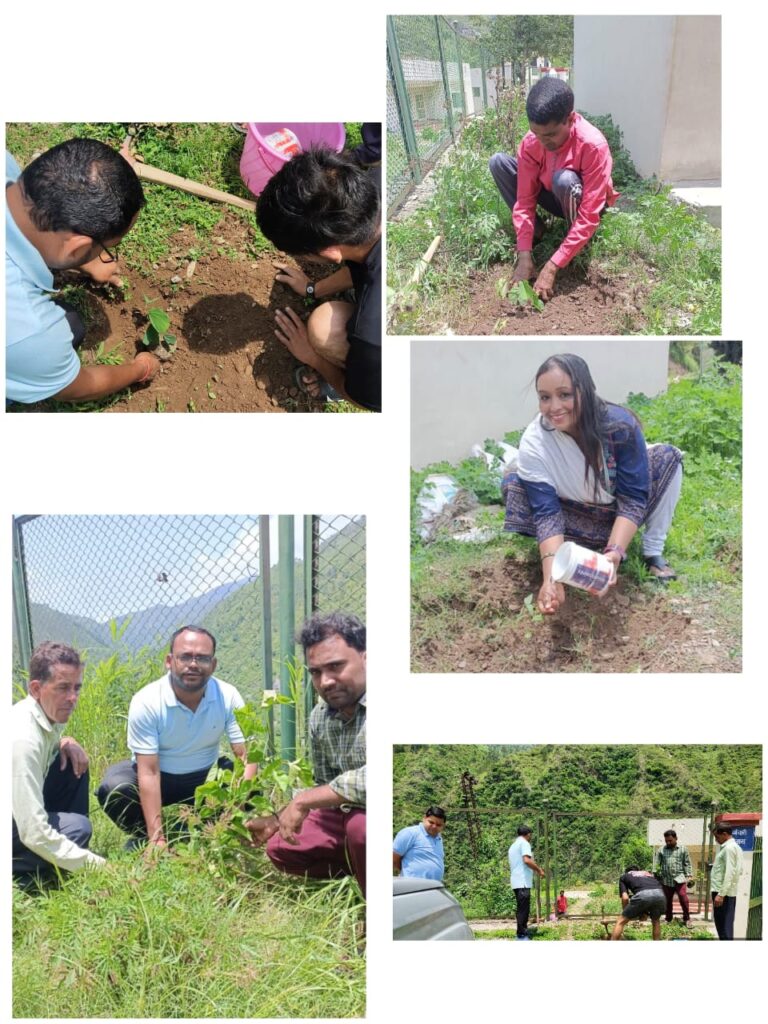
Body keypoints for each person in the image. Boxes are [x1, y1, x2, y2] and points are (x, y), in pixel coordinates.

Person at [501, 353, 684, 615]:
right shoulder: (535, 441)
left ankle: (651, 550)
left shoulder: (620, 426)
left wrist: (615, 552)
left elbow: (633, 498)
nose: (554, 407)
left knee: (669, 458)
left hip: (617, 511)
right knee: (515, 484)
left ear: (584, 391)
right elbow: (547, 514)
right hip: (574, 512)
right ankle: (589, 548)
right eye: (545, 397)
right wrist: (552, 578)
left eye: (564, 394)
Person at [6, 138, 161, 404]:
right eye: (107, 248)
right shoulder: (31, 331)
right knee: (72, 325)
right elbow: (76, 388)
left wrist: (84, 259)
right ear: (76, 248)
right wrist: (141, 368)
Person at [96, 626, 256, 850]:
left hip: (206, 778)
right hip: (161, 776)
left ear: (213, 665)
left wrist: (236, 811)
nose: (193, 664)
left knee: (250, 782)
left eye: (202, 658)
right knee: (115, 789)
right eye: (185, 657)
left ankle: (218, 827)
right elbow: (149, 771)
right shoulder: (147, 701)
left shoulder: (228, 695)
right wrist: (157, 837)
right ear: (169, 661)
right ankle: (146, 835)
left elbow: (245, 757)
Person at [246, 612, 367, 896]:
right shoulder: (320, 717)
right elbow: (322, 783)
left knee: (362, 828)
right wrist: (278, 818)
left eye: (335, 667)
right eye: (315, 672)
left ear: (366, 657)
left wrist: (303, 802)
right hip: (343, 814)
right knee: (281, 846)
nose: (325, 681)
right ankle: (363, 870)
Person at [256, 147, 381, 411]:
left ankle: (355, 379)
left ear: (330, 253)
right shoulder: (375, 182)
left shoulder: (372, 332)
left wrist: (313, 356)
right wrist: (313, 288)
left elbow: (366, 402)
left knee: (323, 329)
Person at [488, 77, 618, 302]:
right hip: (555, 196)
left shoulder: (592, 145)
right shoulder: (532, 142)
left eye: (549, 135)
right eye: (536, 133)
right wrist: (524, 254)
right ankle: (538, 232)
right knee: (499, 162)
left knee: (565, 180)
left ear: (570, 119)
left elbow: (589, 215)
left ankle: (572, 238)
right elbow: (525, 200)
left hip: (582, 202)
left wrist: (552, 266)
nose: (542, 141)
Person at [12, 642, 105, 881]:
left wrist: (64, 742)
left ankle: (65, 855)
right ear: (35, 688)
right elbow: (33, 833)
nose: (72, 697)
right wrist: (101, 867)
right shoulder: (23, 741)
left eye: (77, 687)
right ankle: (27, 872)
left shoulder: (42, 714)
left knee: (75, 765)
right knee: (78, 829)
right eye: (63, 688)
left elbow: (48, 742)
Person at [508, 824, 545, 939]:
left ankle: (521, 931)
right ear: (528, 834)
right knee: (524, 909)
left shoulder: (513, 846)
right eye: (530, 834)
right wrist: (539, 870)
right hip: (522, 881)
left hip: (516, 881)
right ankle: (522, 934)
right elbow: (526, 860)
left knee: (521, 908)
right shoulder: (524, 843)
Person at [612, 865, 666, 940]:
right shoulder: (648, 874)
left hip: (643, 895)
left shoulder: (625, 876)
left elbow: (625, 897)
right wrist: (645, 913)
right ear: (639, 870)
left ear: (627, 871)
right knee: (656, 921)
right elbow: (652, 894)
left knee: (620, 921)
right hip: (661, 895)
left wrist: (626, 913)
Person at [393, 806, 446, 880]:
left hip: (433, 887)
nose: (434, 826)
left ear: (443, 826)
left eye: (438, 825)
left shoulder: (439, 838)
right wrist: (407, 873)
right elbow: (394, 858)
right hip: (413, 887)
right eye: (431, 822)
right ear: (424, 818)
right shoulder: (410, 833)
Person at [710, 823, 744, 940]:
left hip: (722, 894)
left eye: (717, 837)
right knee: (726, 927)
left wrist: (721, 894)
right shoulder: (736, 847)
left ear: (724, 834)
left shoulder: (729, 849)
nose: (716, 840)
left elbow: (730, 872)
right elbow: (738, 870)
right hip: (727, 894)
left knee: (723, 928)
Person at [654, 829, 694, 926]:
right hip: (666, 880)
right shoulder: (661, 850)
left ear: (676, 838)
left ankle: (687, 918)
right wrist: (656, 874)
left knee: (683, 897)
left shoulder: (683, 849)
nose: (668, 842)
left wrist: (689, 875)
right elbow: (656, 864)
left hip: (680, 878)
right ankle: (668, 918)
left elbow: (687, 863)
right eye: (666, 841)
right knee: (667, 900)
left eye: (670, 840)